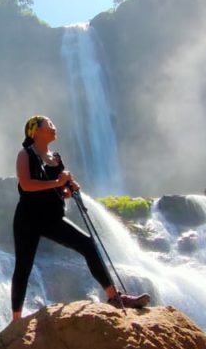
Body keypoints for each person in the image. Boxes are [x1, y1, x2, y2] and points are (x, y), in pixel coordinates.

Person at [11, 115, 150, 321]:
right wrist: (59, 182)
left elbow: (62, 190)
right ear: (36, 131)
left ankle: (114, 297)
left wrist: (68, 189)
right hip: (28, 219)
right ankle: (16, 320)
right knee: (24, 265)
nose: (54, 127)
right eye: (49, 125)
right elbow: (27, 185)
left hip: (52, 218)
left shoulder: (55, 158)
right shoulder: (25, 155)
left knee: (88, 244)